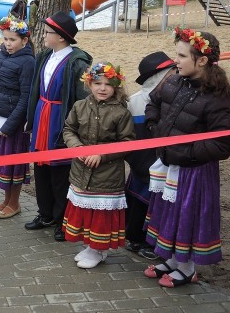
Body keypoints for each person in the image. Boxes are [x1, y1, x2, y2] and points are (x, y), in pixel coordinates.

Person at [143, 28, 230, 288]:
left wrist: (187, 154)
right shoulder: (173, 80)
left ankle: (188, 268)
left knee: (186, 217)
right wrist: (154, 129)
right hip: (170, 164)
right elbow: (153, 103)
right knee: (169, 213)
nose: (176, 60)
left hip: (194, 171)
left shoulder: (218, 96)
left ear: (201, 60)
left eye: (181, 55)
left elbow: (222, 143)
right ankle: (171, 261)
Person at [24, 11, 92, 241]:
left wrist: (75, 128)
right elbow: (36, 88)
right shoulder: (44, 56)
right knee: (41, 168)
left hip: (59, 119)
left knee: (60, 172)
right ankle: (45, 214)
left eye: (49, 32)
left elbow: (82, 99)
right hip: (42, 115)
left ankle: (63, 219)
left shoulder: (77, 62)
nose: (44, 35)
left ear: (61, 37)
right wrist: (31, 117)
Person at [62, 62, 135, 268]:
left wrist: (102, 155)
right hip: (81, 170)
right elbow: (69, 129)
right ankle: (91, 247)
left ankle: (98, 250)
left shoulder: (121, 113)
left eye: (108, 84)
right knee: (86, 212)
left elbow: (128, 142)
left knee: (100, 216)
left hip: (107, 175)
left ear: (116, 87)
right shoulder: (79, 106)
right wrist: (77, 147)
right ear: (89, 83)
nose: (102, 88)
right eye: (97, 83)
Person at [0, 15, 35, 219]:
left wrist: (11, 125)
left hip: (14, 123)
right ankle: (6, 199)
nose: (8, 43)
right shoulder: (0, 57)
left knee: (13, 164)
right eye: (5, 39)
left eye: (12, 40)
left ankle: (15, 203)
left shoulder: (28, 62)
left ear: (24, 40)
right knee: (2, 162)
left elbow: (26, 97)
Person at [124, 52, 176, 261]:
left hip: (162, 162)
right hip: (142, 161)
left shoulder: (173, 99)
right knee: (139, 202)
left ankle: (150, 241)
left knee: (156, 204)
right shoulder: (135, 102)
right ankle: (135, 237)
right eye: (170, 72)